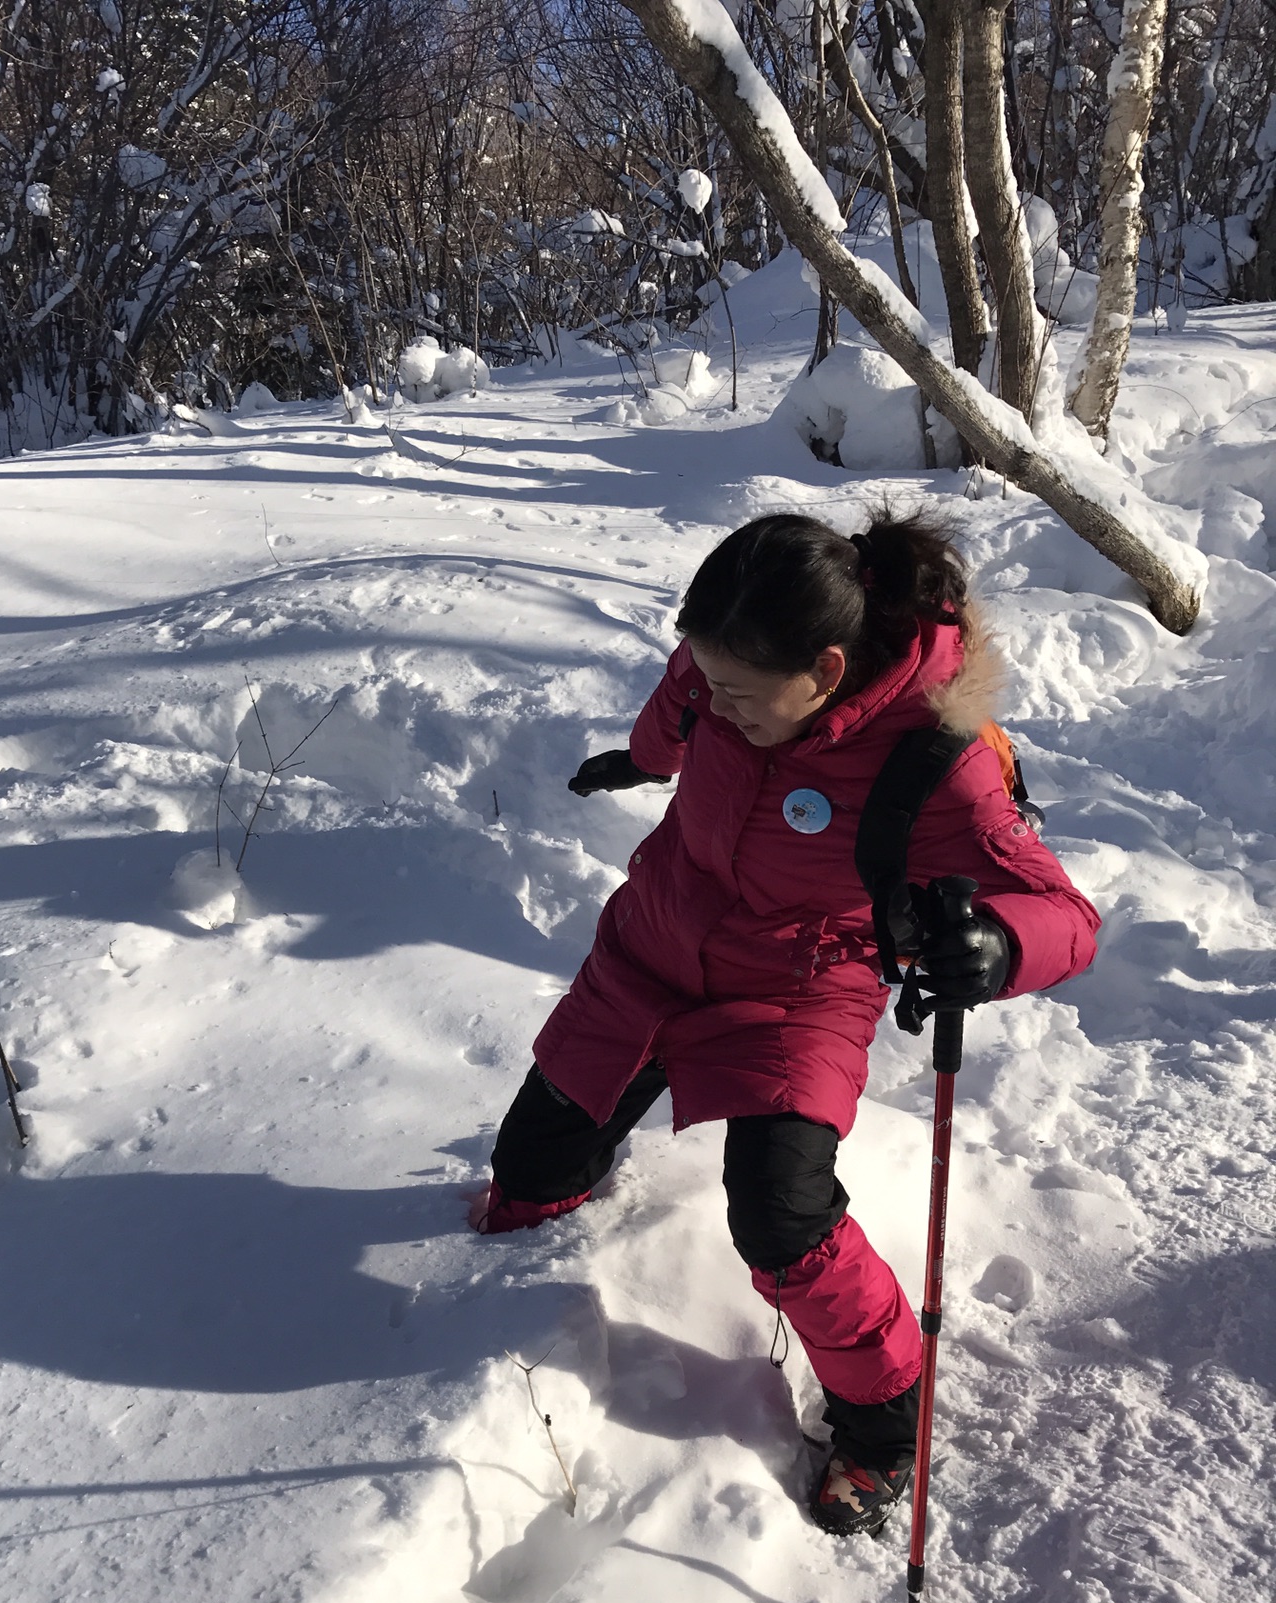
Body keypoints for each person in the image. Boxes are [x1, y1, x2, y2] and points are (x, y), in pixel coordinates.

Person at [471, 512, 1099, 1536]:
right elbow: (680, 702)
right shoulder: (731, 667)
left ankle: (883, 1425)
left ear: (828, 670)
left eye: (741, 696)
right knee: (531, 1167)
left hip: (799, 987)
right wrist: (641, 757)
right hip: (652, 945)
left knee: (781, 1216)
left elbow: (1068, 917)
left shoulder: (935, 758)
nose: (717, 704)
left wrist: (996, 943)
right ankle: (506, 1306)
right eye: (708, 678)